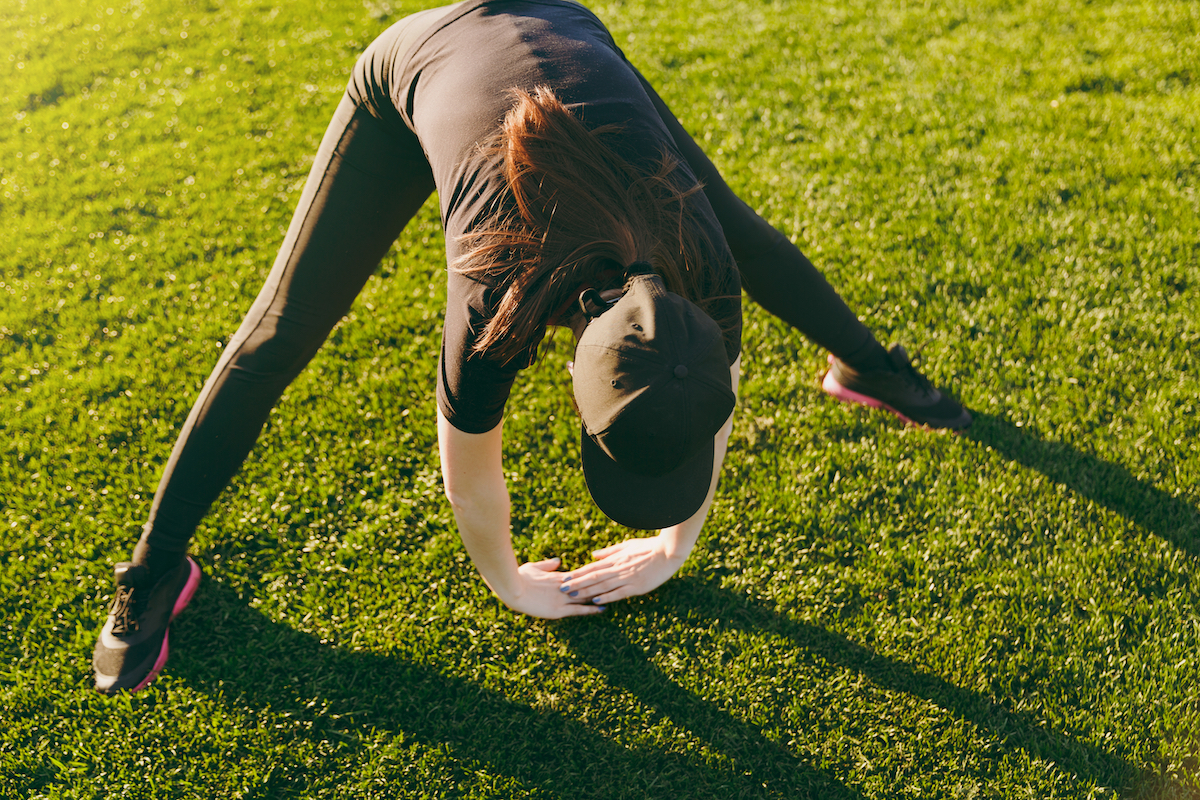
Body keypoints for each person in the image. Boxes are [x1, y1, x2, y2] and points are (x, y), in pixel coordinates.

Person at [91, 0, 971, 695]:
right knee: (280, 331)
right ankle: (154, 568)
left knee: (741, 226)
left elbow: (712, 405)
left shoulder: (706, 282)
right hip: (422, 64)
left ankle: (872, 369)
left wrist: (674, 547)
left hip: (563, 24)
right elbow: (469, 476)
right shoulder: (496, 296)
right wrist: (512, 582)